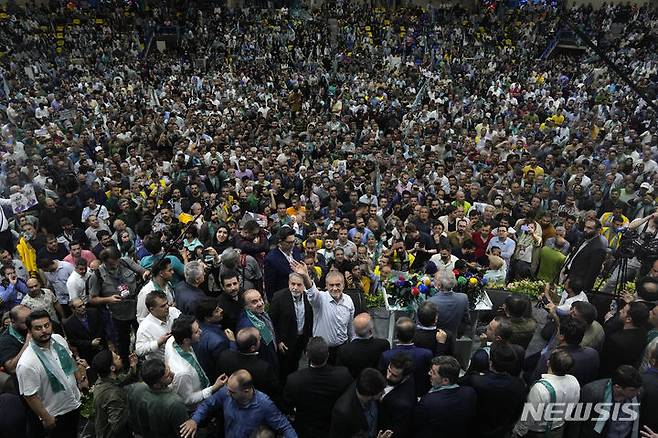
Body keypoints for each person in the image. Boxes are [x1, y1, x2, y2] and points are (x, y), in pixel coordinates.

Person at [16, 310, 88, 438]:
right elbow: (30, 395)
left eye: (47, 325)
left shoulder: (58, 339)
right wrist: (46, 417)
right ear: (29, 331)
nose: (44, 330)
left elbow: (70, 359)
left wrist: (81, 380)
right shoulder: (27, 363)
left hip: (74, 401)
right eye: (38, 328)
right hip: (56, 413)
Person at [180, 369, 297, 438]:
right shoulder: (227, 392)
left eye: (232, 391)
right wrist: (194, 419)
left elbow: (284, 426)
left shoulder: (264, 404)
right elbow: (208, 404)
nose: (227, 393)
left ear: (246, 391)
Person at [283, 336, 353, 438]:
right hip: (333, 427)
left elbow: (287, 405)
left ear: (307, 355)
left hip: (306, 429)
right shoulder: (343, 375)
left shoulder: (294, 380)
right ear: (327, 355)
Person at [90, 246, 149, 365]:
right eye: (112, 264)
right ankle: (127, 366)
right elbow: (92, 299)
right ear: (105, 262)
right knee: (123, 342)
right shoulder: (97, 275)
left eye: (117, 261)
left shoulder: (125, 262)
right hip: (119, 315)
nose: (116, 265)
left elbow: (143, 271)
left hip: (137, 309)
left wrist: (145, 274)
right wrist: (108, 299)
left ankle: (145, 362)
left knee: (144, 336)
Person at [291, 260, 355, 364]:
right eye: (331, 285)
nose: (335, 288)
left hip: (342, 349)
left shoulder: (348, 300)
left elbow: (350, 326)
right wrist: (305, 276)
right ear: (326, 285)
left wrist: (351, 343)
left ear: (343, 285)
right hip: (320, 351)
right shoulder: (320, 299)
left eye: (338, 285)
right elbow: (312, 291)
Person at [461, 342, 527, 438]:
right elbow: (517, 413)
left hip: (474, 427)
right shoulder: (519, 385)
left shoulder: (476, 381)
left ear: (490, 362)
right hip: (499, 430)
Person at [513, 348, 580, 438]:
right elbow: (573, 405)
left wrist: (518, 432)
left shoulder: (540, 388)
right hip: (559, 429)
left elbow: (529, 416)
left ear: (548, 363)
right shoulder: (574, 381)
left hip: (537, 432)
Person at [164, 314, 226, 407]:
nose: (201, 332)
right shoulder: (182, 373)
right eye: (196, 332)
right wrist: (213, 388)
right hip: (196, 407)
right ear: (186, 340)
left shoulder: (173, 340)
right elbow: (187, 399)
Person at [566, 365, 643, 438]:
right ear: (618, 387)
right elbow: (576, 422)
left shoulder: (636, 395)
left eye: (638, 389)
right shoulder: (592, 393)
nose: (638, 392)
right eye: (632, 390)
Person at [414, 355, 477, 437]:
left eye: (433, 372)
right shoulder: (470, 393)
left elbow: (417, 425)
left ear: (445, 380)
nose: (429, 373)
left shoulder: (428, 402)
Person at [126, 358, 189, 438]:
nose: (173, 374)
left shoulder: (134, 388)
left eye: (169, 370)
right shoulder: (175, 403)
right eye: (168, 376)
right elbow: (184, 433)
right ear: (156, 385)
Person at [529, 315, 600, 386]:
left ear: (561, 336)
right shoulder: (593, 353)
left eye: (558, 329)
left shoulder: (550, 357)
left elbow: (534, 381)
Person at [269, 272, 314, 381]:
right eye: (292, 284)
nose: (295, 287)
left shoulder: (310, 298)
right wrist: (278, 340)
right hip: (285, 343)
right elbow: (271, 322)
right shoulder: (279, 297)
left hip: (301, 341)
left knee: (296, 367)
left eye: (299, 285)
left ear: (304, 285)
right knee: (284, 371)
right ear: (288, 283)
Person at [216, 327, 281, 400]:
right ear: (253, 348)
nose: (260, 339)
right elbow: (274, 389)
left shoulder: (224, 356)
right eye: (259, 339)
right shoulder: (263, 368)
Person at [330, 368, 392, 438]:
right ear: (370, 395)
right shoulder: (343, 413)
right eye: (381, 392)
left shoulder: (365, 383)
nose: (383, 392)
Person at [379, 317, 432, 396]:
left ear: (396, 335)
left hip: (394, 394)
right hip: (419, 394)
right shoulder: (426, 354)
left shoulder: (386, 355)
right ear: (414, 334)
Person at [91, 349, 138, 438]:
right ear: (112, 368)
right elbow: (118, 426)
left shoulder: (102, 381)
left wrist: (133, 368)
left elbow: (120, 380)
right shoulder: (113, 394)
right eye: (116, 358)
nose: (119, 357)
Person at [600, 301, 650, 377]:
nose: (620, 311)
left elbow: (604, 362)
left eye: (623, 311)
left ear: (629, 319)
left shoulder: (615, 341)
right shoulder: (643, 332)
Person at [337, 312, 390, 378]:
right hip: (376, 384)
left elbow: (341, 372)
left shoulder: (344, 350)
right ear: (371, 329)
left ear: (354, 330)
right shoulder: (383, 345)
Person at [560, 219, 608, 292]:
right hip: (569, 276)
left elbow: (592, 273)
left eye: (589, 228)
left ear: (598, 230)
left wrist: (583, 290)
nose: (585, 230)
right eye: (585, 227)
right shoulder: (584, 238)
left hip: (577, 285)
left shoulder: (599, 248)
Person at [193, 298, 235, 381]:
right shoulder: (218, 341)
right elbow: (229, 361)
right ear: (207, 318)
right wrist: (233, 341)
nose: (221, 310)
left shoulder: (196, 328)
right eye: (216, 311)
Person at [236, 289, 278, 369]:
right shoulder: (247, 325)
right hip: (264, 364)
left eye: (260, 299)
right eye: (254, 302)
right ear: (246, 306)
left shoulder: (260, 313)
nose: (260, 303)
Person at [135, 290, 182, 361]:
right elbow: (139, 351)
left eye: (167, 303)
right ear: (152, 309)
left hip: (181, 356)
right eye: (163, 306)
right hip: (164, 364)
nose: (167, 307)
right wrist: (158, 342)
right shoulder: (145, 328)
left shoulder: (173, 312)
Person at [379, 352, 418, 438]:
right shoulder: (406, 375)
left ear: (406, 377)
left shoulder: (402, 404)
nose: (388, 376)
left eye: (394, 375)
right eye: (389, 370)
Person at [62, 298, 108, 364]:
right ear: (73, 309)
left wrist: (98, 340)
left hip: (101, 345)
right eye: (79, 307)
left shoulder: (94, 312)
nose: (83, 307)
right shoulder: (68, 324)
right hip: (87, 352)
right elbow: (73, 341)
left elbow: (102, 326)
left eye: (83, 304)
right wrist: (90, 343)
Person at [264, 226, 303, 300]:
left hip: (299, 295)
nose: (292, 245)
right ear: (280, 241)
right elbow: (269, 285)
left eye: (293, 241)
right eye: (289, 242)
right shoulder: (271, 259)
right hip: (283, 298)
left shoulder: (296, 250)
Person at [427, 272, 470, 336]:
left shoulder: (430, 302)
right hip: (453, 337)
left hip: (435, 338)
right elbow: (466, 319)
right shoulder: (463, 298)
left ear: (439, 285)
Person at [136, 257, 175, 323]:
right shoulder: (146, 293)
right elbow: (141, 319)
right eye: (169, 270)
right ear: (161, 274)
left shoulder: (168, 284)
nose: (173, 272)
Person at [0, 305, 31, 386]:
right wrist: (27, 344)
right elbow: (11, 368)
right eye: (24, 322)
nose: (30, 324)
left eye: (31, 319)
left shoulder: (36, 326)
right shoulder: (5, 340)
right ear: (13, 321)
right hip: (25, 381)